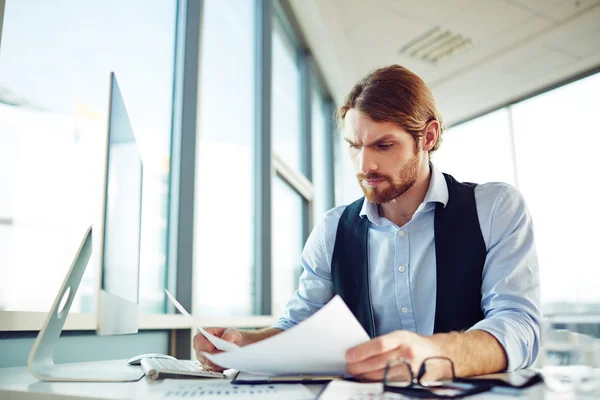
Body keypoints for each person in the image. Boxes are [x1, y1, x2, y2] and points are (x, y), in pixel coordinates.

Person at [193, 65, 541, 380]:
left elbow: (519, 324)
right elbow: (300, 327)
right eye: (354, 146)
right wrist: (245, 344)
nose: (364, 165)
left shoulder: (495, 208)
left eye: (383, 145)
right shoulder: (332, 230)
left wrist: (435, 354)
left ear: (429, 137)